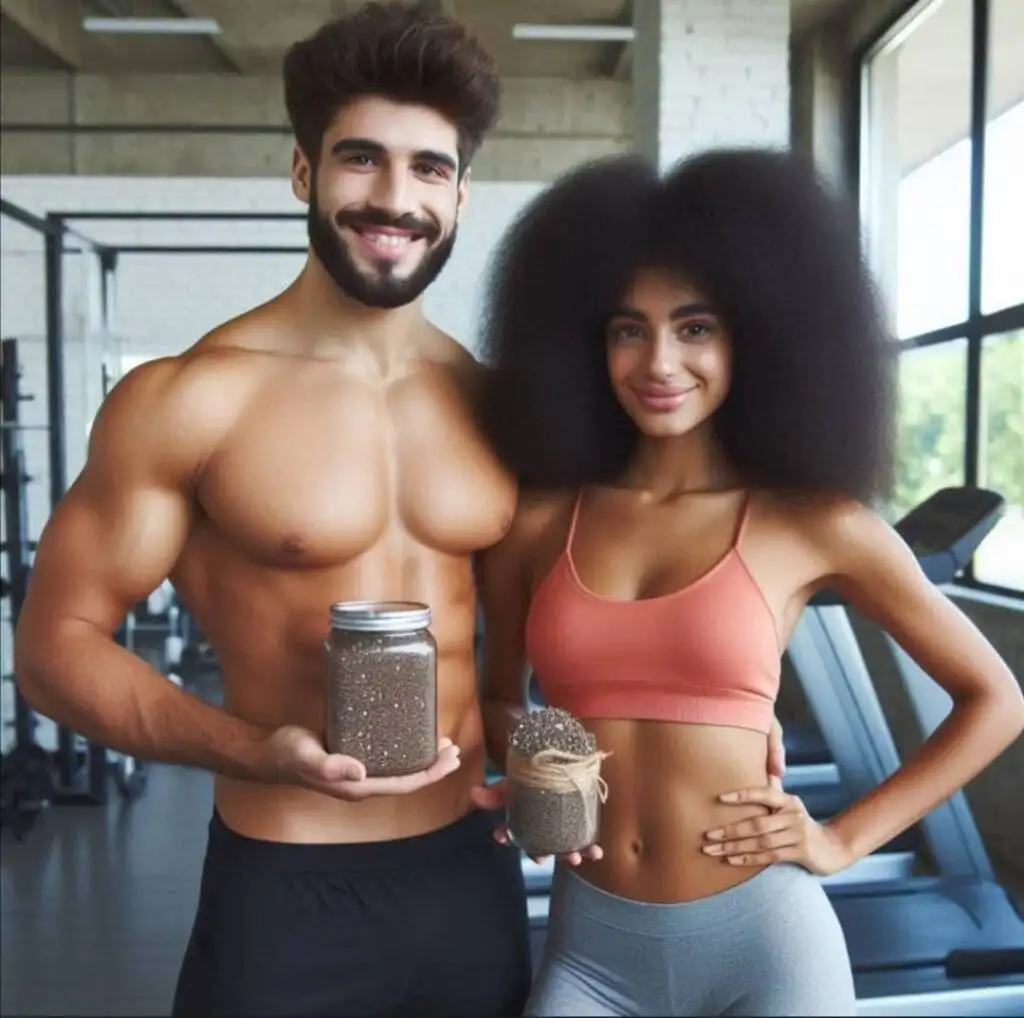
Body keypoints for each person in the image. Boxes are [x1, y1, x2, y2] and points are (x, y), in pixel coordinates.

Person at [13, 4, 530, 1016]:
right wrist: (252, 746)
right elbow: (53, 647)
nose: (394, 198)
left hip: (473, 874)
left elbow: (533, 640)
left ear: (461, 195)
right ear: (303, 172)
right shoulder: (193, 398)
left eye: (428, 169)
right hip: (288, 886)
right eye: (361, 160)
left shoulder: (495, 405)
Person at [472, 150, 1024, 1017]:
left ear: (752, 337)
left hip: (764, 940)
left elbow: (996, 698)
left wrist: (843, 837)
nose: (658, 361)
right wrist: (533, 754)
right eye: (629, 328)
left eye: (695, 328)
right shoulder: (540, 521)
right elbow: (497, 696)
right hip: (592, 950)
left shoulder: (814, 522)